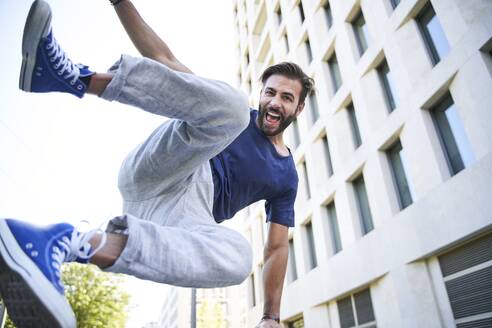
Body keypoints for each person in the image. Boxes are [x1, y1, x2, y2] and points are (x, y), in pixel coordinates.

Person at [0, 0, 314, 327]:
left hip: (181, 215)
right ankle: (74, 78)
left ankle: (63, 243)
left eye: (286, 98)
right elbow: (164, 60)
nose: (274, 103)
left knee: (239, 259)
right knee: (232, 107)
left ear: (299, 108)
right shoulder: (233, 117)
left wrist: (270, 316)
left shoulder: (287, 177)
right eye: (269, 93)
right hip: (164, 169)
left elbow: (277, 248)